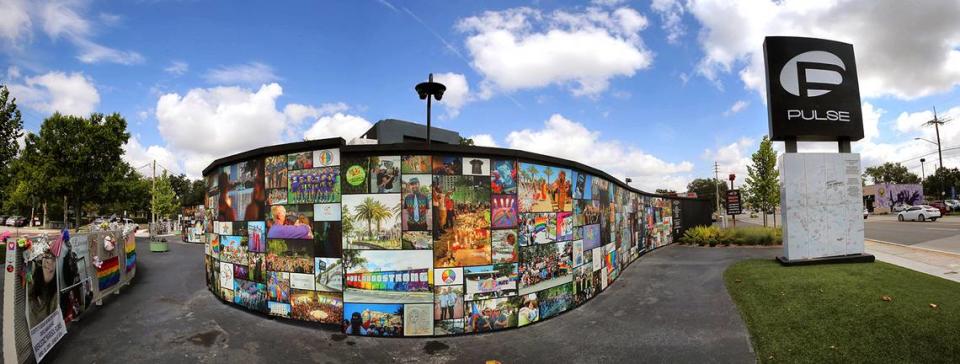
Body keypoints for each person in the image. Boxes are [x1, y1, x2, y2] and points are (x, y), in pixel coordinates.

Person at [28, 252, 59, 328]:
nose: (48, 262)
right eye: (46, 257)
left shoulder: (56, 293)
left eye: (53, 259)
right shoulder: (34, 277)